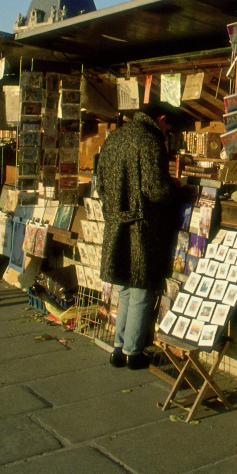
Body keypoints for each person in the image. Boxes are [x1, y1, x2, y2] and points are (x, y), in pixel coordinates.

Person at [98, 102, 179, 369]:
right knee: (142, 288)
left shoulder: (115, 137)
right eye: (168, 127)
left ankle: (118, 348)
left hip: (116, 224)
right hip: (142, 227)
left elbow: (100, 184)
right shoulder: (149, 139)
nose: (167, 132)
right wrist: (175, 188)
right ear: (161, 119)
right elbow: (155, 188)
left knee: (124, 289)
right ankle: (134, 353)